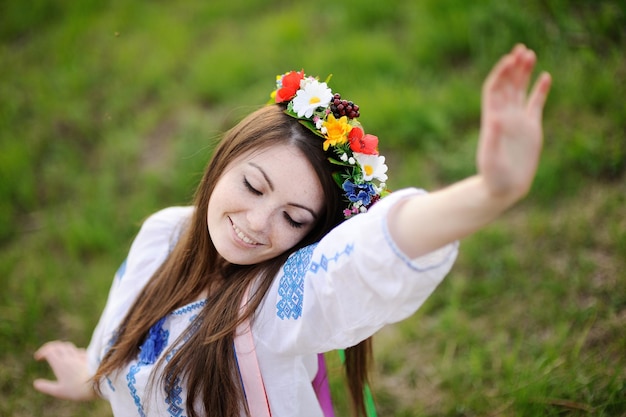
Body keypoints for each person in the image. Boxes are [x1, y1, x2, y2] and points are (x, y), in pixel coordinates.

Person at [33, 44, 552, 417]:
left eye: (293, 218)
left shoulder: (277, 302)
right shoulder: (164, 232)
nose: (258, 225)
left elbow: (370, 252)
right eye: (254, 186)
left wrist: (491, 192)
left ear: (311, 238)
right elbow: (125, 320)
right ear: (224, 158)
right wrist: (91, 376)